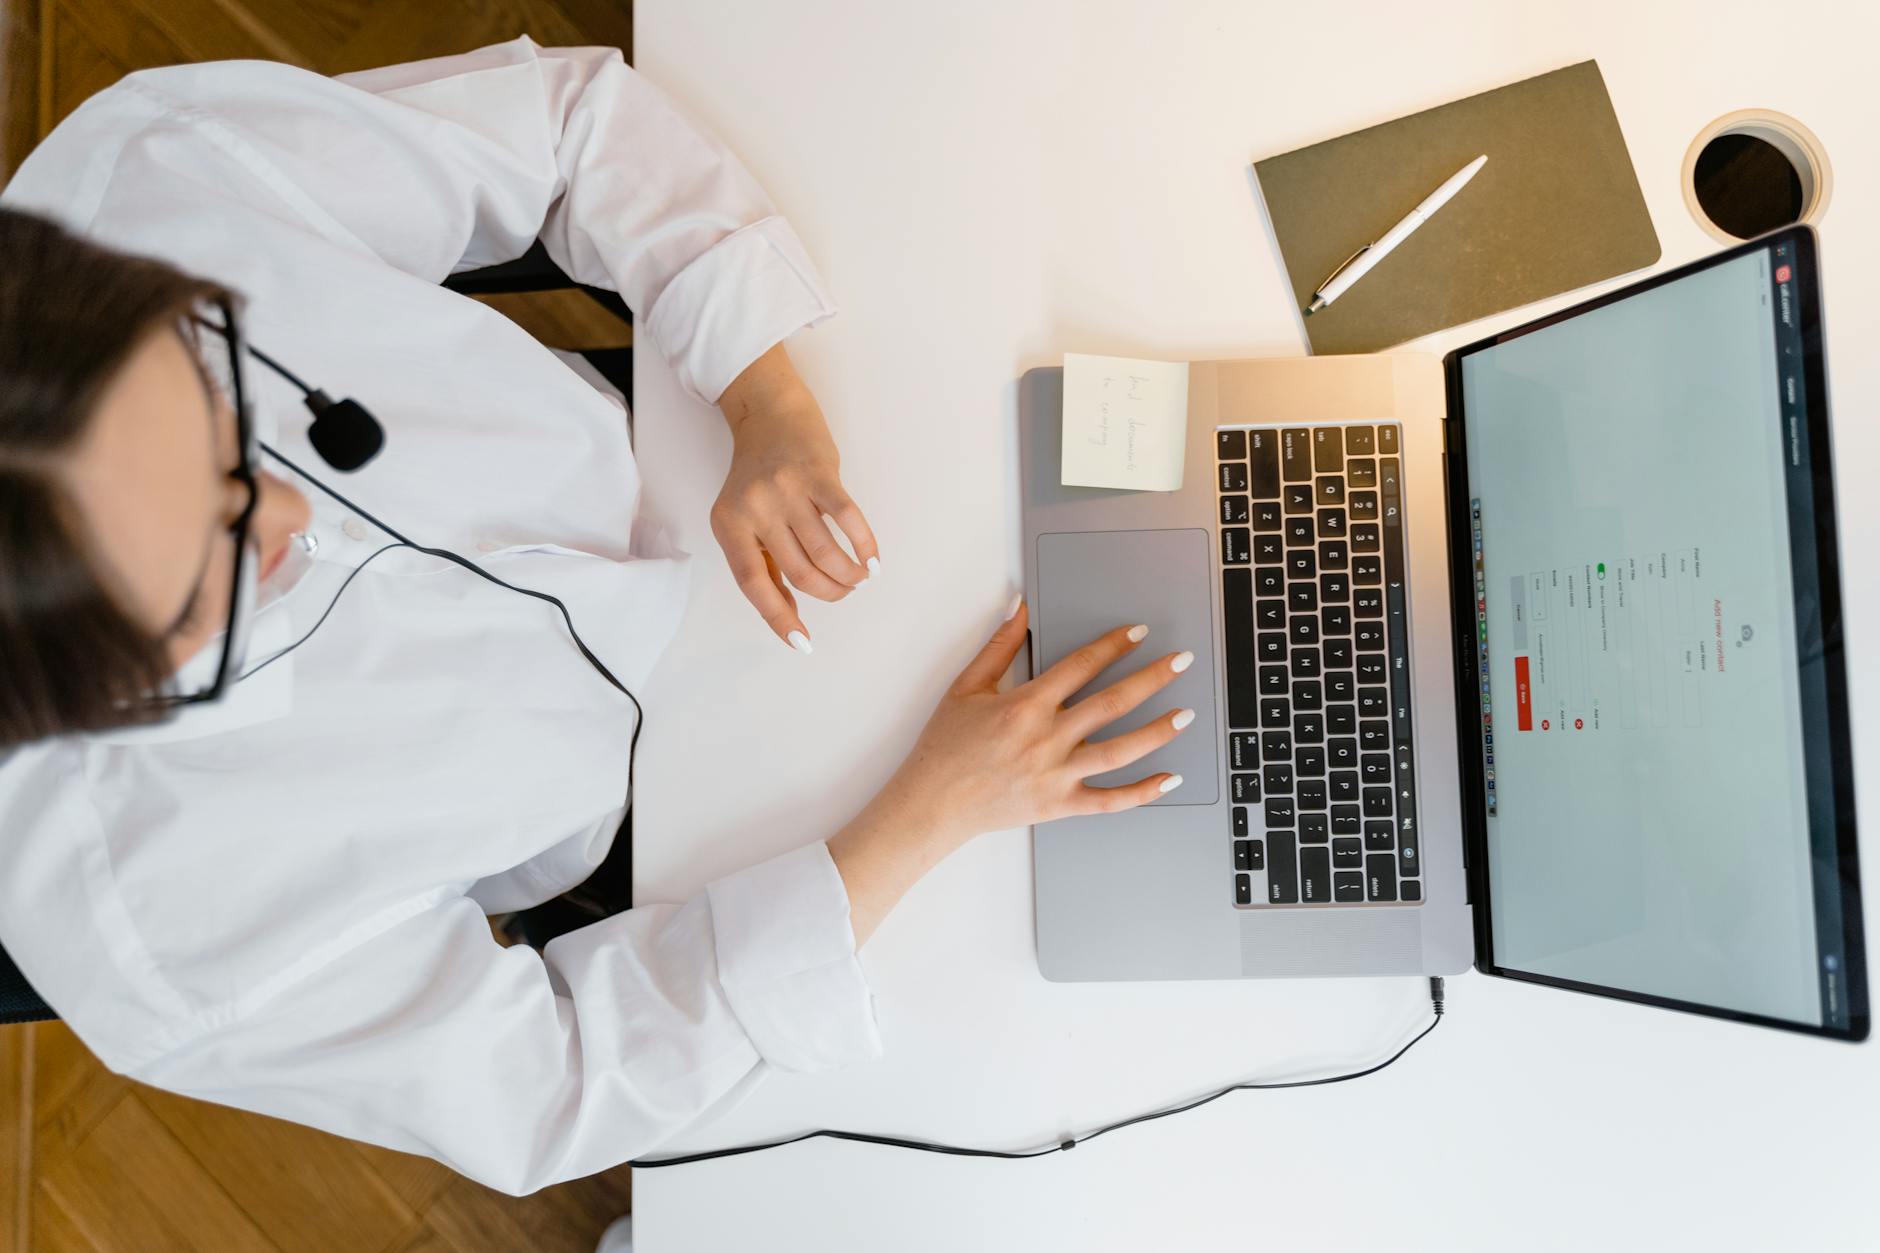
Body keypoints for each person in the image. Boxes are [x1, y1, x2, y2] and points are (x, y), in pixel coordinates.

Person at [0, 37, 1193, 1196]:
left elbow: (568, 130)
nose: (292, 505)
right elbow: (557, 1079)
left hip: (689, 448)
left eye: (226, 415)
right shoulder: (157, 940)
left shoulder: (141, 178)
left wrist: (762, 394)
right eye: (215, 557)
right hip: (679, 827)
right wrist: (928, 812)